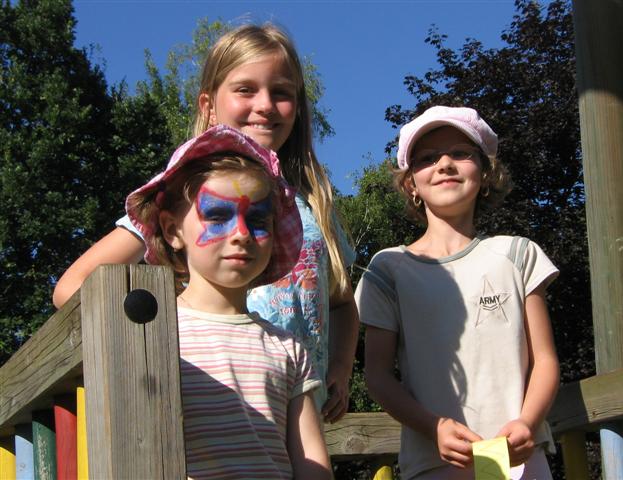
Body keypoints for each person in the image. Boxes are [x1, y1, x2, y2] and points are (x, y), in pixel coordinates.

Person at [52, 23, 358, 422]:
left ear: (298, 108)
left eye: (281, 93)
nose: (265, 104)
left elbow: (341, 302)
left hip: (300, 417)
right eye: (245, 89)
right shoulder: (183, 197)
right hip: (208, 411)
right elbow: (72, 288)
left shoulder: (313, 204)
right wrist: (148, 340)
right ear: (208, 105)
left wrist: (340, 368)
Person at [356, 106, 560, 479]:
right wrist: (433, 427)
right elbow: (378, 375)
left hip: (520, 462)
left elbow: (545, 360)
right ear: (411, 184)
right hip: (433, 464)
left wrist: (528, 422)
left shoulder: (518, 255)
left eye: (461, 153)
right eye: (428, 158)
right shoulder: (387, 270)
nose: (445, 164)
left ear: (486, 174)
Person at [126, 124, 331, 479]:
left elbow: (312, 463)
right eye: (218, 216)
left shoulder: (288, 348)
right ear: (173, 230)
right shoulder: (153, 336)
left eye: (258, 220)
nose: (242, 234)